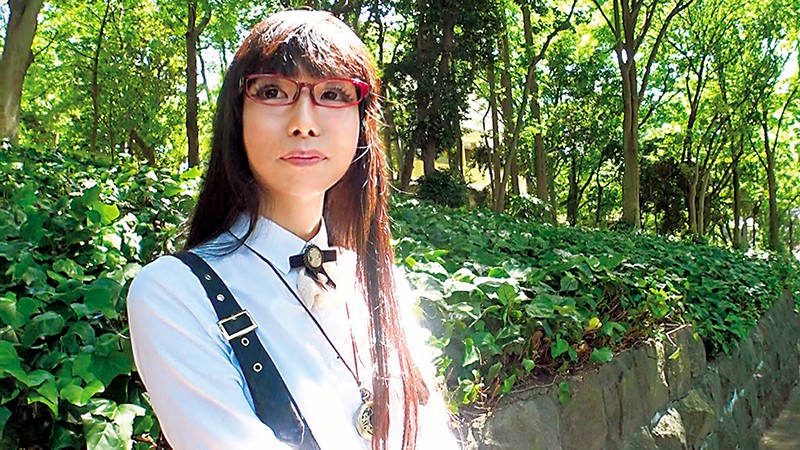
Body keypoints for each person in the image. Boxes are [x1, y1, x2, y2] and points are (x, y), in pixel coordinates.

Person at [127, 9, 459, 450]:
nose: (304, 122)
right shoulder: (175, 294)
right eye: (272, 91)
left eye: (333, 94)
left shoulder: (382, 285)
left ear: (362, 123)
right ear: (237, 116)